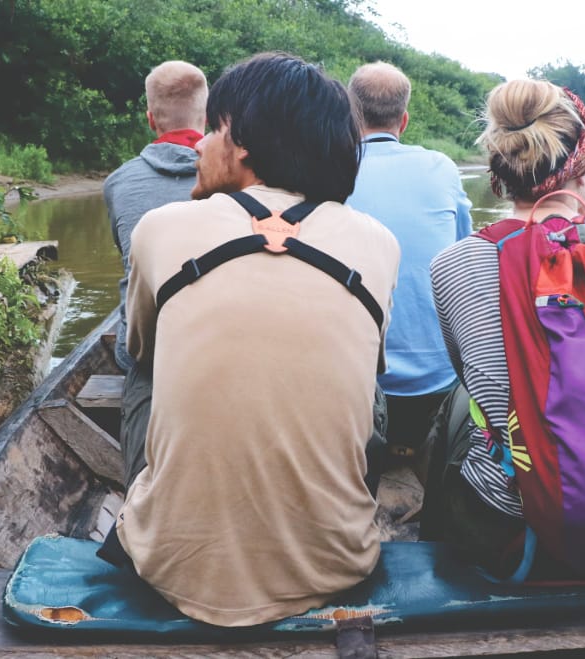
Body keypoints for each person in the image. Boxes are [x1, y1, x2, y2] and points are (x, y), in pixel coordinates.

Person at [116, 53, 401, 627]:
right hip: (338, 565)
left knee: (140, 367)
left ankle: (160, 509)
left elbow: (142, 351)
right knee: (372, 387)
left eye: (212, 130)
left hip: (169, 569)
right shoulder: (379, 242)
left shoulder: (161, 227)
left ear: (241, 142)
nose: (196, 147)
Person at [424, 79, 585, 577]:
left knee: (458, 409)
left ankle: (438, 545)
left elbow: (471, 377)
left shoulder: (454, 263)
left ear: (499, 169)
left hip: (506, 524)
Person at [345, 61, 472, 460]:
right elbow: (460, 252)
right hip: (436, 385)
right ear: (405, 119)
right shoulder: (440, 167)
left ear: (351, 113)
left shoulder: (332, 168)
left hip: (361, 385)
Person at [104, 60, 207, 375]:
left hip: (140, 351)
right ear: (207, 116)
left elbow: (127, 255)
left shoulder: (117, 182)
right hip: (212, 343)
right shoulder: (235, 180)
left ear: (150, 120)